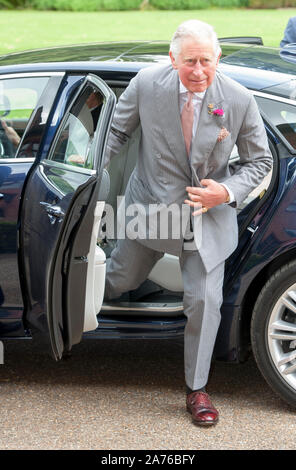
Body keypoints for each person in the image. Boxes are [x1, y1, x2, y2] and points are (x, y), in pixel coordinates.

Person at [103, 19, 272, 427]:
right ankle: (78, 317)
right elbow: (114, 134)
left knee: (203, 302)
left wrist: (226, 192)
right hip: (153, 205)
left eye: (207, 62)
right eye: (190, 62)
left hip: (204, 214)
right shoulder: (146, 84)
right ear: (172, 59)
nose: (199, 71)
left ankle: (197, 389)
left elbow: (260, 162)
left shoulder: (237, 98)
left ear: (219, 59)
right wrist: (86, 181)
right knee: (120, 279)